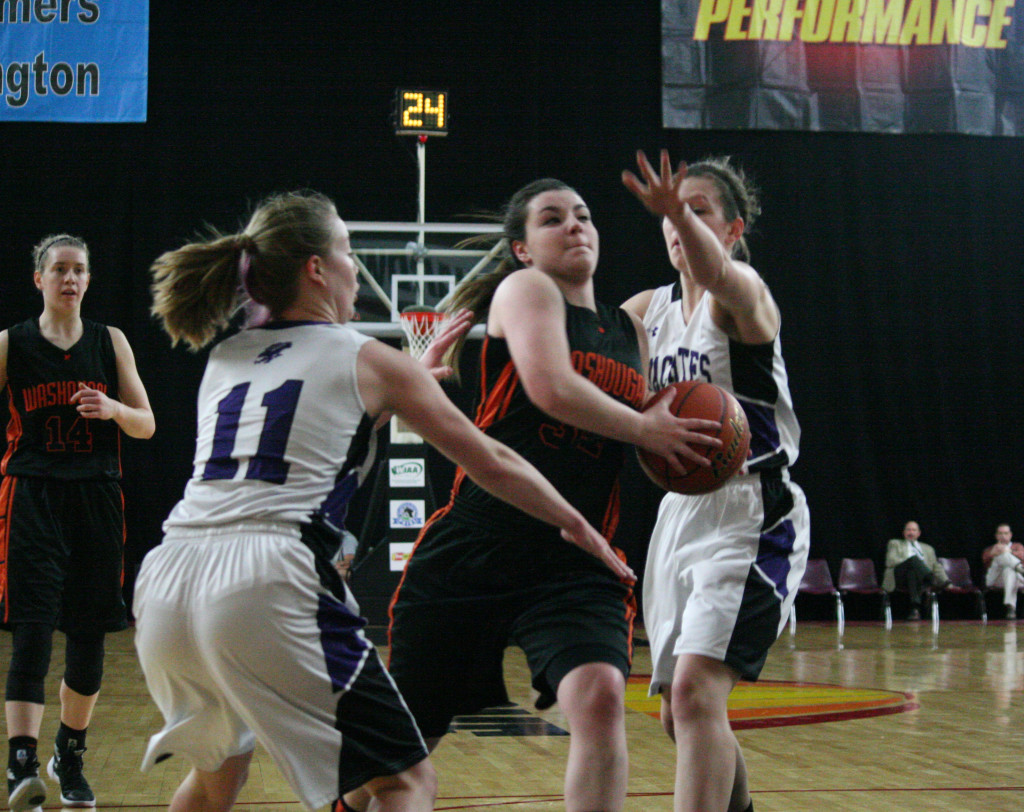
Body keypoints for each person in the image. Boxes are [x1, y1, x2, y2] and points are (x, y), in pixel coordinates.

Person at [136, 190, 634, 812]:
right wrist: (579, 525)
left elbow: (307, 434)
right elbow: (495, 461)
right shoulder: (366, 357)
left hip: (168, 582)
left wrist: (410, 376)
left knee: (216, 779)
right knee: (406, 782)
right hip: (266, 582)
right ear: (316, 268)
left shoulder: (225, 357)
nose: (353, 269)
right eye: (346, 252)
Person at [361, 178, 722, 812]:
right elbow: (551, 387)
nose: (575, 226)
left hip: (575, 558)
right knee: (401, 756)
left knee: (603, 700)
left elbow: (643, 433)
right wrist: (645, 427)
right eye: (552, 219)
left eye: (583, 216)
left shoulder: (631, 332)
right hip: (477, 545)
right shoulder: (526, 290)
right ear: (523, 249)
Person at [620, 150, 810, 812]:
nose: (678, 224)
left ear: (732, 229)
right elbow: (578, 346)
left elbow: (716, 273)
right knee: (682, 713)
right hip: (679, 515)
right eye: (673, 214)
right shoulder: (649, 311)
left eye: (698, 212)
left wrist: (676, 208)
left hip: (753, 508)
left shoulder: (744, 295)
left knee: (700, 693)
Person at [1, 234, 155, 812]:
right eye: (59, 269)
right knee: (33, 631)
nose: (70, 278)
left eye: (79, 270)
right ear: (38, 279)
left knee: (88, 636)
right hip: (32, 493)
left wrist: (114, 409)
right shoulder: (10, 344)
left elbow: (147, 424)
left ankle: (69, 754)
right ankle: (20, 765)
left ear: (88, 281)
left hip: (95, 495)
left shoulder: (109, 342)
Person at [882, 520, 949, 620]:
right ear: (904, 532)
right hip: (899, 577)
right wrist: (909, 561)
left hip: (917, 579)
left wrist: (946, 581)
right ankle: (930, 579)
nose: (911, 532)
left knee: (912, 573)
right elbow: (890, 561)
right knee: (913, 560)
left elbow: (936, 566)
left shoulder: (928, 548)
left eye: (914, 530)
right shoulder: (895, 543)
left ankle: (915, 609)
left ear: (919, 533)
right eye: (908, 530)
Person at [982, 523, 1024, 619]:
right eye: (1000, 533)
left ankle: (1011, 608)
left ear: (1010, 535)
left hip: (1014, 579)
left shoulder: (1018, 546)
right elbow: (984, 561)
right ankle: (1019, 568)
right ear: (996, 535)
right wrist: (993, 554)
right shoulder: (990, 549)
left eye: (1005, 533)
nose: (1003, 536)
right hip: (995, 579)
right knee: (1001, 556)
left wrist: (1009, 551)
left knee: (1009, 571)